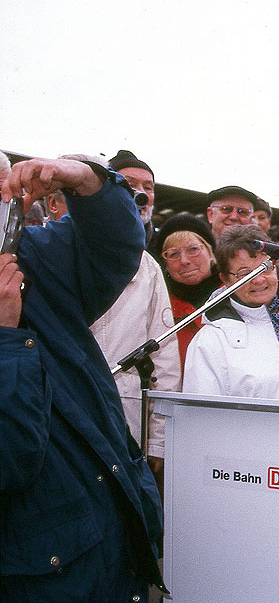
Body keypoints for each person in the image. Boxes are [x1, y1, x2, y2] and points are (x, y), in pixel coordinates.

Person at [0, 153, 164, 600]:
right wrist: (5, 338)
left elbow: (116, 246)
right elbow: (10, 458)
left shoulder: (28, 257)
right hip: (37, 572)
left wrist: (88, 180)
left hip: (108, 543)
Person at [91, 150, 181, 476]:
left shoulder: (149, 269)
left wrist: (158, 440)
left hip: (128, 417)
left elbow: (166, 356)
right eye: (130, 183)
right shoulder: (67, 248)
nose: (141, 193)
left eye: (149, 185)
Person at [183, 224, 279, 401]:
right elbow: (201, 418)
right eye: (244, 273)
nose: (259, 280)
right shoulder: (211, 341)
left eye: (266, 267)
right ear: (225, 279)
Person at [151, 212, 220, 367]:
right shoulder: (159, 305)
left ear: (210, 252)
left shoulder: (236, 294)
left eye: (193, 249)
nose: (184, 261)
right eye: (173, 254)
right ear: (165, 265)